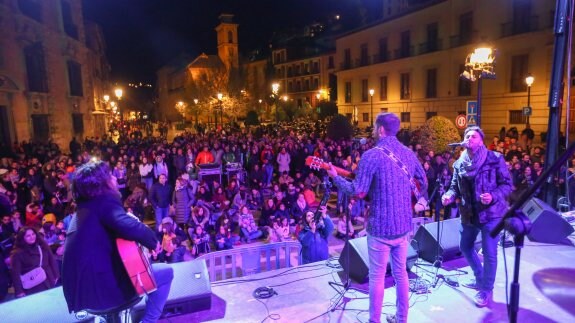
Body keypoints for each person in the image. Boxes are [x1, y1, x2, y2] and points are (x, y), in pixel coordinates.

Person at [327, 112, 427, 323]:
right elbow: (423, 181)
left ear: (381, 129)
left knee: (377, 277)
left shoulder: (371, 155)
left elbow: (358, 191)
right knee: (401, 274)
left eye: (374, 127)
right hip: (403, 226)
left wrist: (336, 178)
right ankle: (401, 319)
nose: (373, 131)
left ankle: (375, 320)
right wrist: (410, 201)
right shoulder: (409, 153)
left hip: (380, 228)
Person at [62, 161, 173, 323]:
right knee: (166, 273)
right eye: (110, 175)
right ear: (101, 183)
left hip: (84, 295)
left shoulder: (84, 209)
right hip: (105, 291)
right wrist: (154, 242)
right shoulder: (104, 202)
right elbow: (129, 225)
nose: (114, 177)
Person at [441, 126, 512, 308]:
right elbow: (454, 187)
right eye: (467, 136)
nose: (469, 138)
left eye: (473, 136)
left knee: (490, 253)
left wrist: (493, 196)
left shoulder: (494, 159)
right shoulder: (459, 164)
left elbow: (507, 185)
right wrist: (449, 195)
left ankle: (486, 289)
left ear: (481, 140)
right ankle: (479, 277)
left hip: (492, 215)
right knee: (465, 247)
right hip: (469, 214)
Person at [10, 226, 60, 298]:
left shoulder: (42, 245)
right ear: (22, 238)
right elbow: (15, 274)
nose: (32, 237)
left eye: (33, 234)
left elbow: (51, 260)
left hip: (49, 280)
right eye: (28, 236)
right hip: (33, 286)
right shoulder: (17, 253)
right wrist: (19, 291)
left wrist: (56, 275)